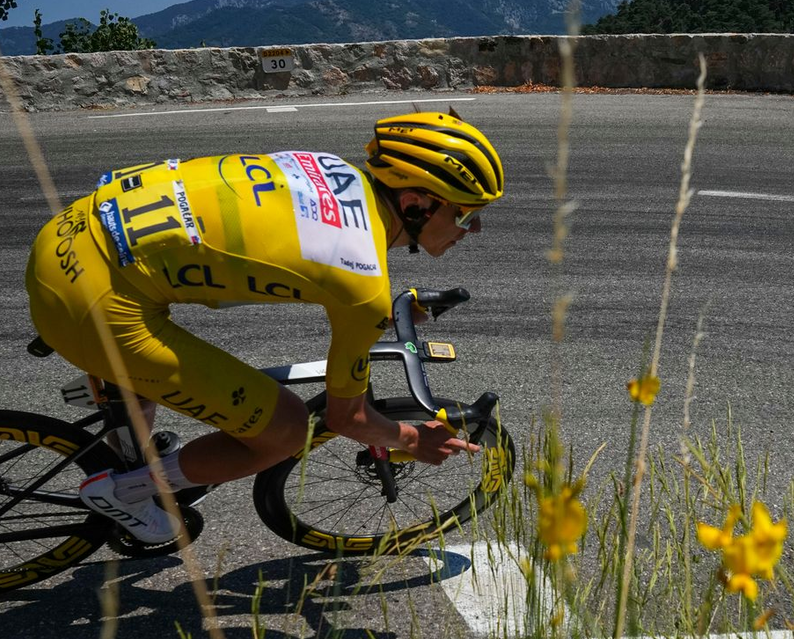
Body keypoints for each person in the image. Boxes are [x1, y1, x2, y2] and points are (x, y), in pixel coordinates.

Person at [24, 109, 503, 545]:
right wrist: (413, 440)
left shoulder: (330, 169)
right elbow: (346, 419)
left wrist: (372, 307)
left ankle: (124, 405)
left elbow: (273, 252)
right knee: (287, 431)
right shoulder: (361, 285)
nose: (474, 229)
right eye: (466, 213)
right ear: (417, 204)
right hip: (94, 304)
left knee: (165, 355)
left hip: (71, 232)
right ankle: (123, 491)